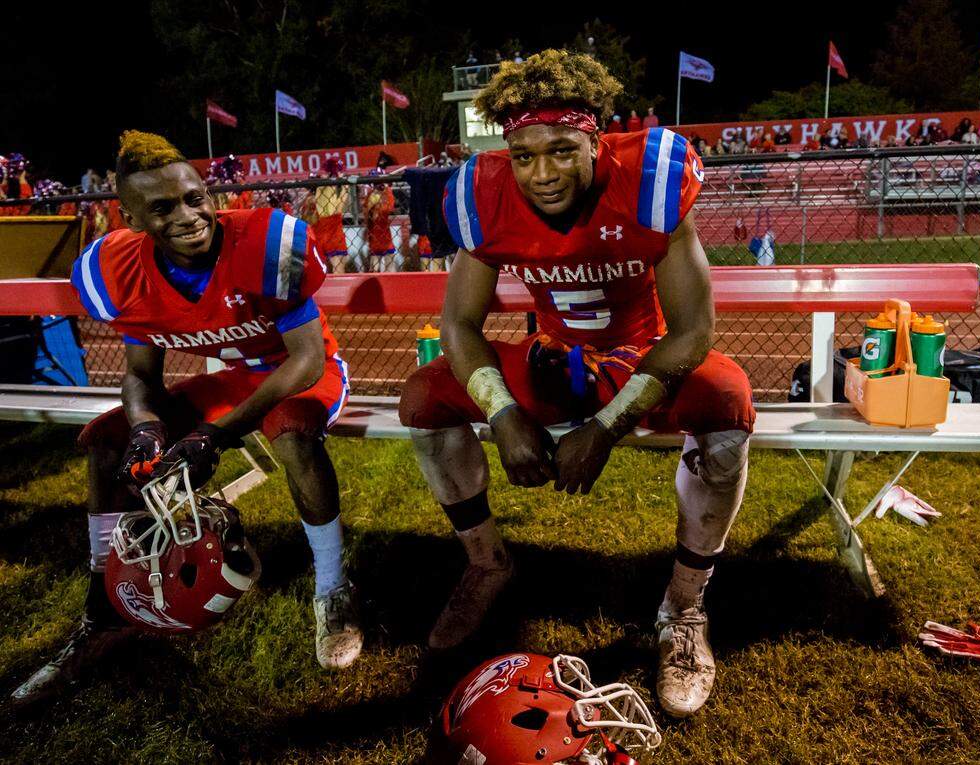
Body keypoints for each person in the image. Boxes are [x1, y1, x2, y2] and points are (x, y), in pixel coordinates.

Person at [398, 50, 756, 718]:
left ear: (596, 138)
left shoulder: (648, 179)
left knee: (729, 400)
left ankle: (684, 602)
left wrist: (606, 427)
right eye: (525, 155)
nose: (542, 173)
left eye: (562, 150)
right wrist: (502, 414)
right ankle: (485, 563)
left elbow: (693, 331)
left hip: (644, 358)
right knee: (423, 398)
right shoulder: (485, 191)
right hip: (555, 359)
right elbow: (458, 322)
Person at [9, 131, 363, 710]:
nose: (189, 216)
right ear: (129, 216)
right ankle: (106, 602)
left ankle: (334, 586)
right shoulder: (121, 268)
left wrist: (213, 434)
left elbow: (306, 360)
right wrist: (146, 423)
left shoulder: (263, 242)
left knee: (293, 434)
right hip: (232, 377)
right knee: (107, 439)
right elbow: (140, 376)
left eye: (195, 198)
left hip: (296, 371)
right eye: (163, 207)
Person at [365, 182, 397, 271]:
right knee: (390, 268)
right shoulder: (382, 210)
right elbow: (391, 206)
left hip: (374, 241)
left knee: (374, 268)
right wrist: (388, 190)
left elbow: (367, 204)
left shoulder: (368, 211)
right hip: (385, 240)